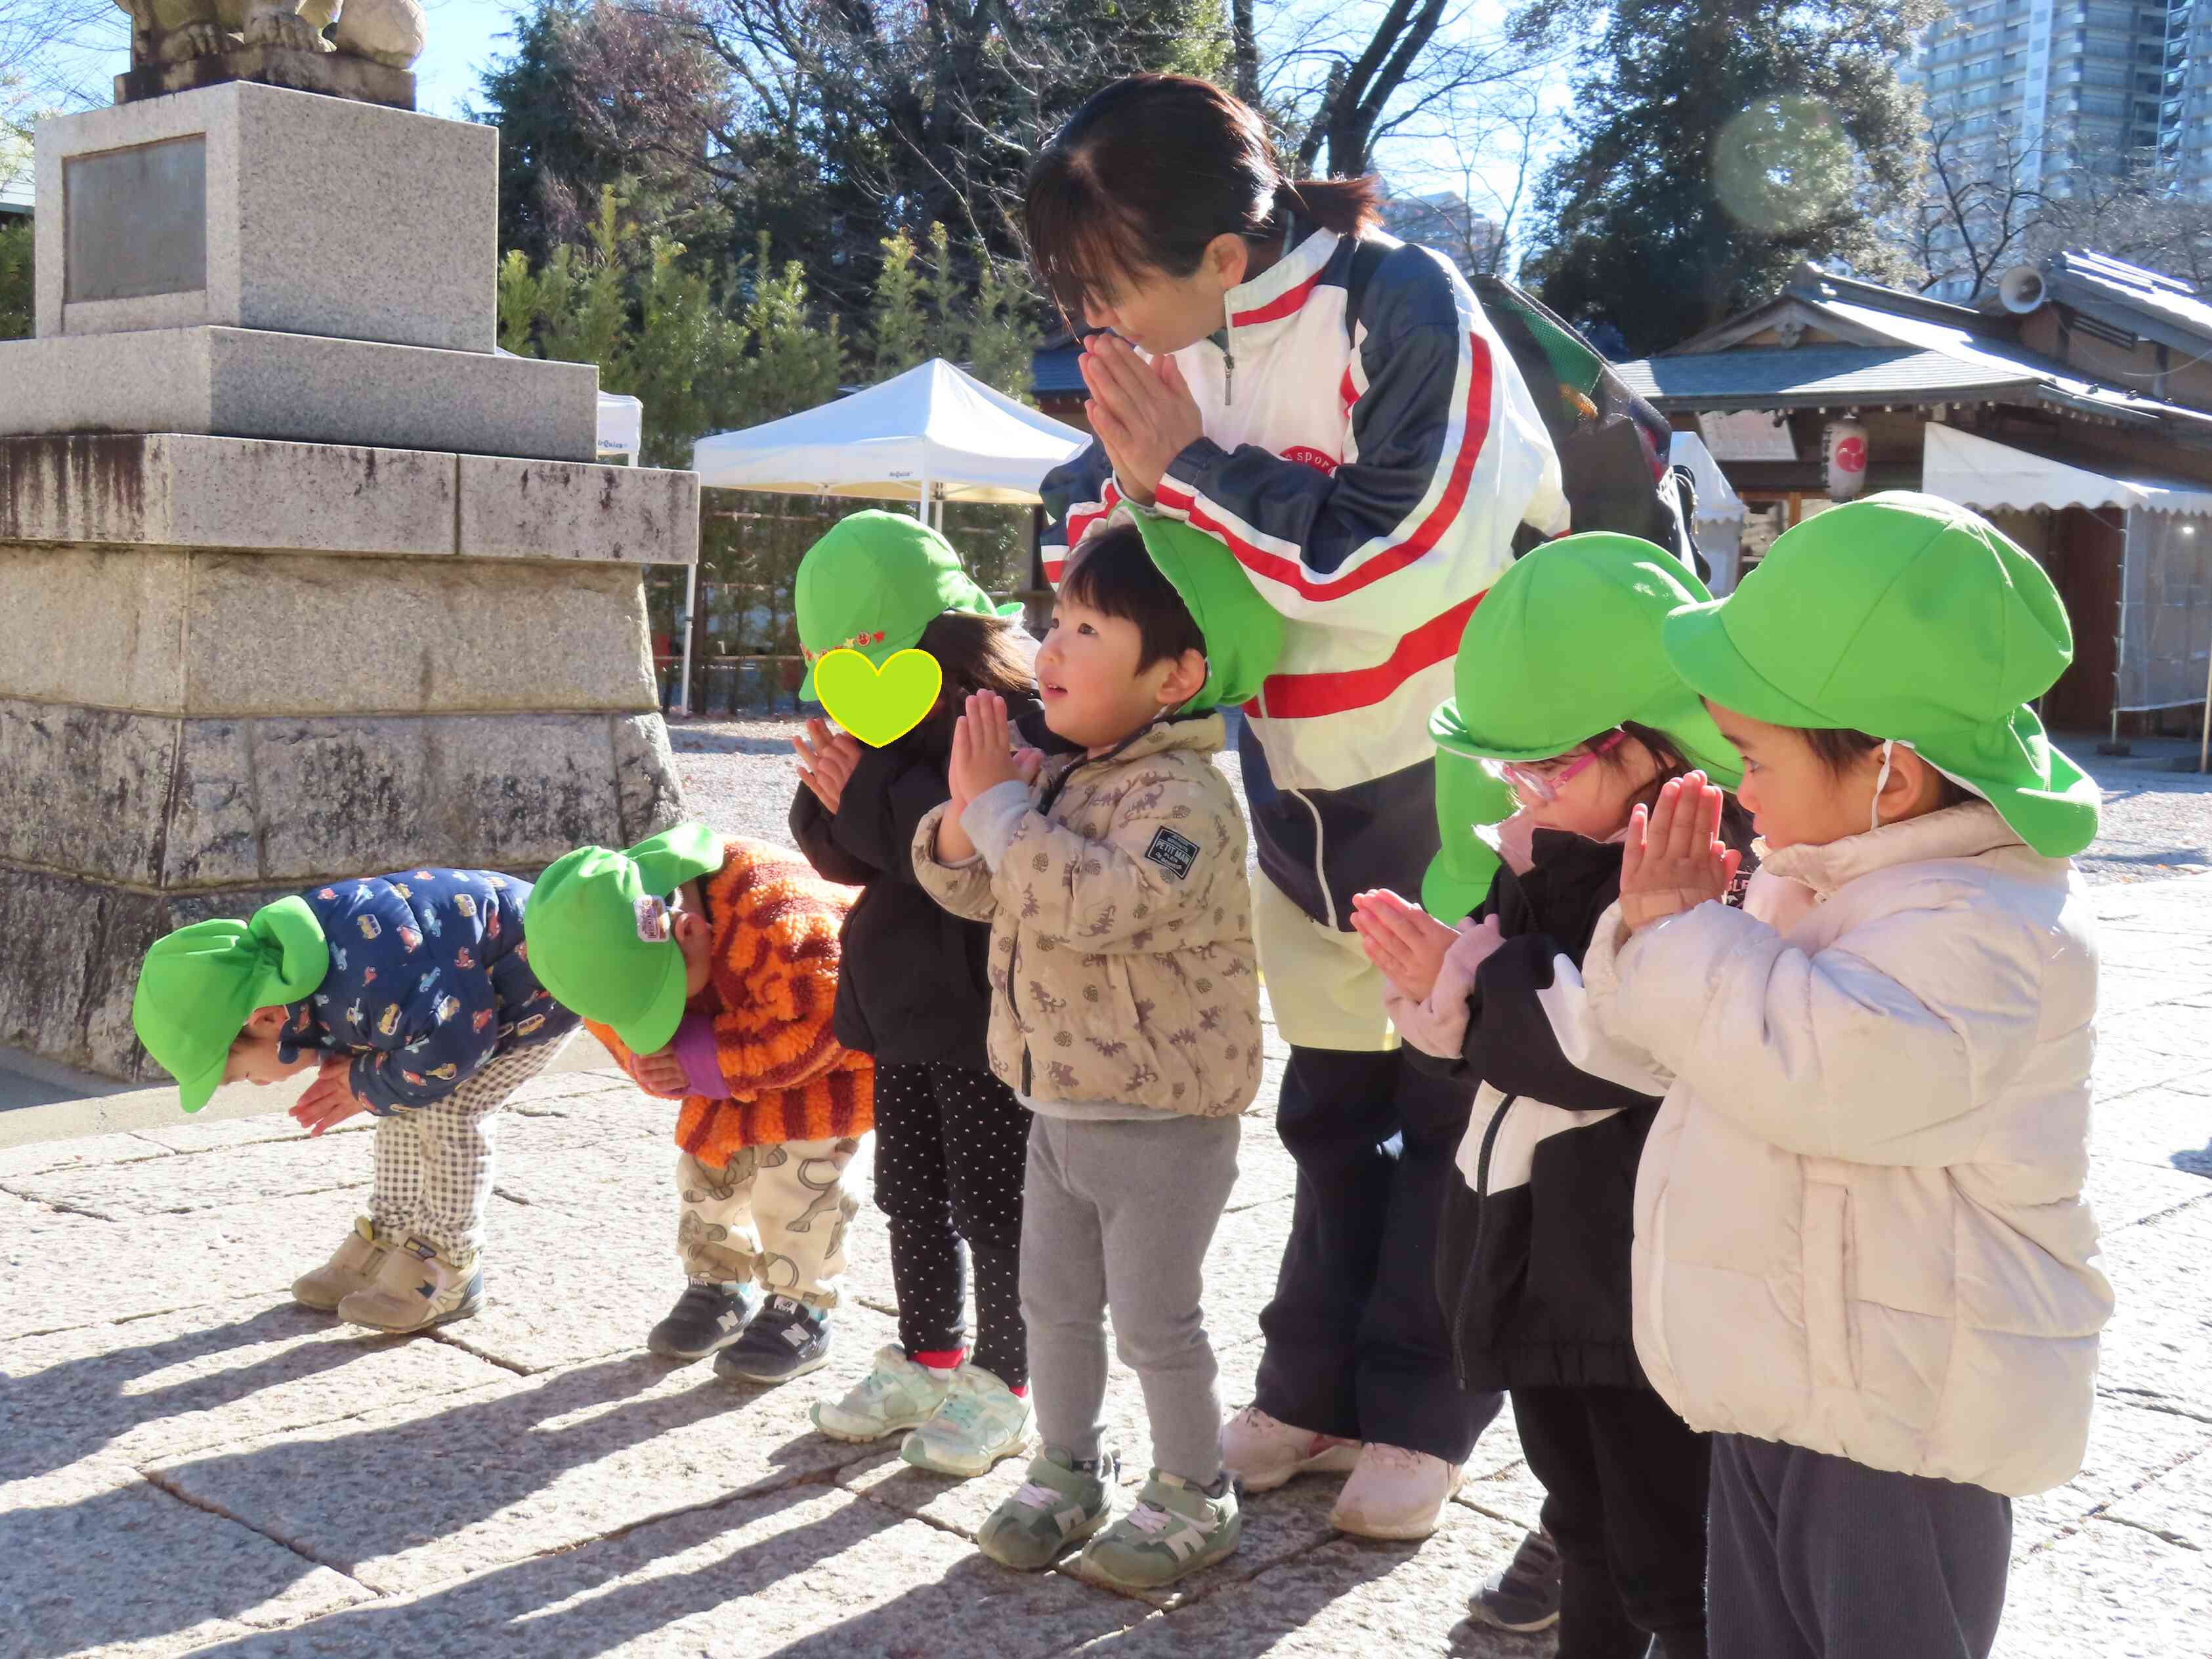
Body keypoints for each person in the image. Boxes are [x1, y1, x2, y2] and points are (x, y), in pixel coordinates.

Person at [1026, 71, 1567, 1538]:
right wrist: (1135, 501)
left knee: (1448, 1103)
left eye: (1108, 283)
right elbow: (1093, 549)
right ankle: (1311, 1385)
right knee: (1331, 1110)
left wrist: (1186, 475)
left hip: (1450, 772)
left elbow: (1400, 551)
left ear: (1218, 253)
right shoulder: (1176, 341)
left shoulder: (1404, 303)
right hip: (1291, 784)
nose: (1096, 322)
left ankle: (1423, 1407)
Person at [1579, 494, 2114, 1659]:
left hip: (1910, 1415)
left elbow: (1837, 1077)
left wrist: (1687, 941)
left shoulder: (1996, 926)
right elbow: (1691, 1045)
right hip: (1793, 1371)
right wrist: (1656, 935)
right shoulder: (1824, 873)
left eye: (1758, 755)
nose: (1743, 783)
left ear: (1895, 776)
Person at [1350, 536, 1749, 1658]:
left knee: (1671, 1553)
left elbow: (1628, 1041)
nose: (1519, 793)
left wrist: (1471, 997)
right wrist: (1439, 995)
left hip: (1639, 1281)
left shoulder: (1707, 866)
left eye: (1544, 767)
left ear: (1645, 746)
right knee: (1579, 1516)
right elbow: (1492, 1026)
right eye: (1508, 770)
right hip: (1537, 1257)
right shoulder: (1544, 847)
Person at [911, 512, 1280, 1591]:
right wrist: (967, 815)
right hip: (1060, 1104)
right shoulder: (1070, 779)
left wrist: (1004, 807)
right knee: (1054, 1305)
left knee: (1158, 1320)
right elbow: (974, 879)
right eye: (1056, 620)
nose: (1053, 648)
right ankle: (1066, 1466)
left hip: (1164, 1116)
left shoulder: (1185, 802)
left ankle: (1193, 1489)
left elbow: (1102, 899)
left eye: (1087, 629)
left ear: (1176, 676)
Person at [786, 511, 1050, 1477]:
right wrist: (826, 785)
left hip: (985, 1017)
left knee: (995, 1205)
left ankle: (1008, 1381)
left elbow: (970, 836)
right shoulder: (865, 719)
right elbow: (838, 855)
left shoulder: (1009, 720)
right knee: (910, 1196)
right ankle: (926, 1357)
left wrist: (861, 793)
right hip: (899, 1009)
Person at [131, 868, 578, 1333]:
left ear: (264, 1019)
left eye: (242, 1074)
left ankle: (449, 1264)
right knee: (404, 1095)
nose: (259, 1085)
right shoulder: (307, 967)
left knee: (451, 1108)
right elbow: (398, 1020)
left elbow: (454, 1047)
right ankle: (393, 1233)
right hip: (458, 1002)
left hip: (539, 990)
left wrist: (367, 1083)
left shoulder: (378, 980)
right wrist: (360, 1065)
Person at [524, 824, 876, 1385]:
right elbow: (613, 1014)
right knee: (706, 1171)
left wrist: (711, 1060)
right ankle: (719, 1286)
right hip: (719, 1052)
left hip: (826, 1069)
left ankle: (801, 1307)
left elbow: (824, 1021)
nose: (656, 1020)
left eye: (662, 1002)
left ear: (688, 931)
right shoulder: (613, 928)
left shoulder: (783, 915)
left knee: (800, 1184)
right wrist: (651, 1058)